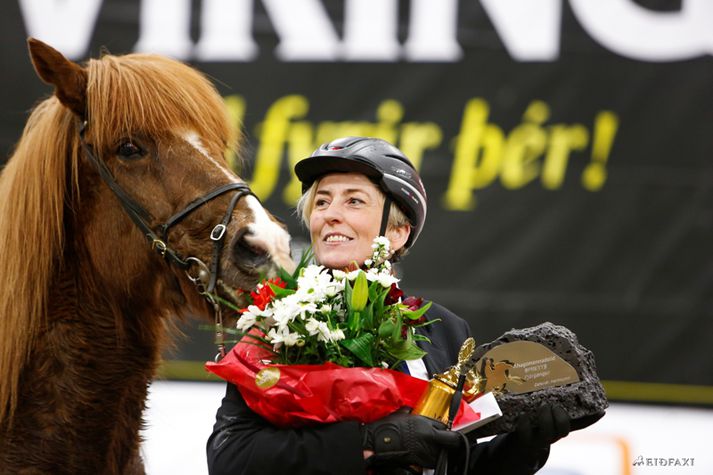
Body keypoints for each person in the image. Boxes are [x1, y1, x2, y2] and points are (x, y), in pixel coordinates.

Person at [207, 137, 598, 474]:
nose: (330, 214)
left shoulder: (444, 329)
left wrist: (524, 448)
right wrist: (372, 441)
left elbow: (453, 464)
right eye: (322, 201)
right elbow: (230, 459)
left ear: (397, 232)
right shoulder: (281, 321)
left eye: (354, 201)